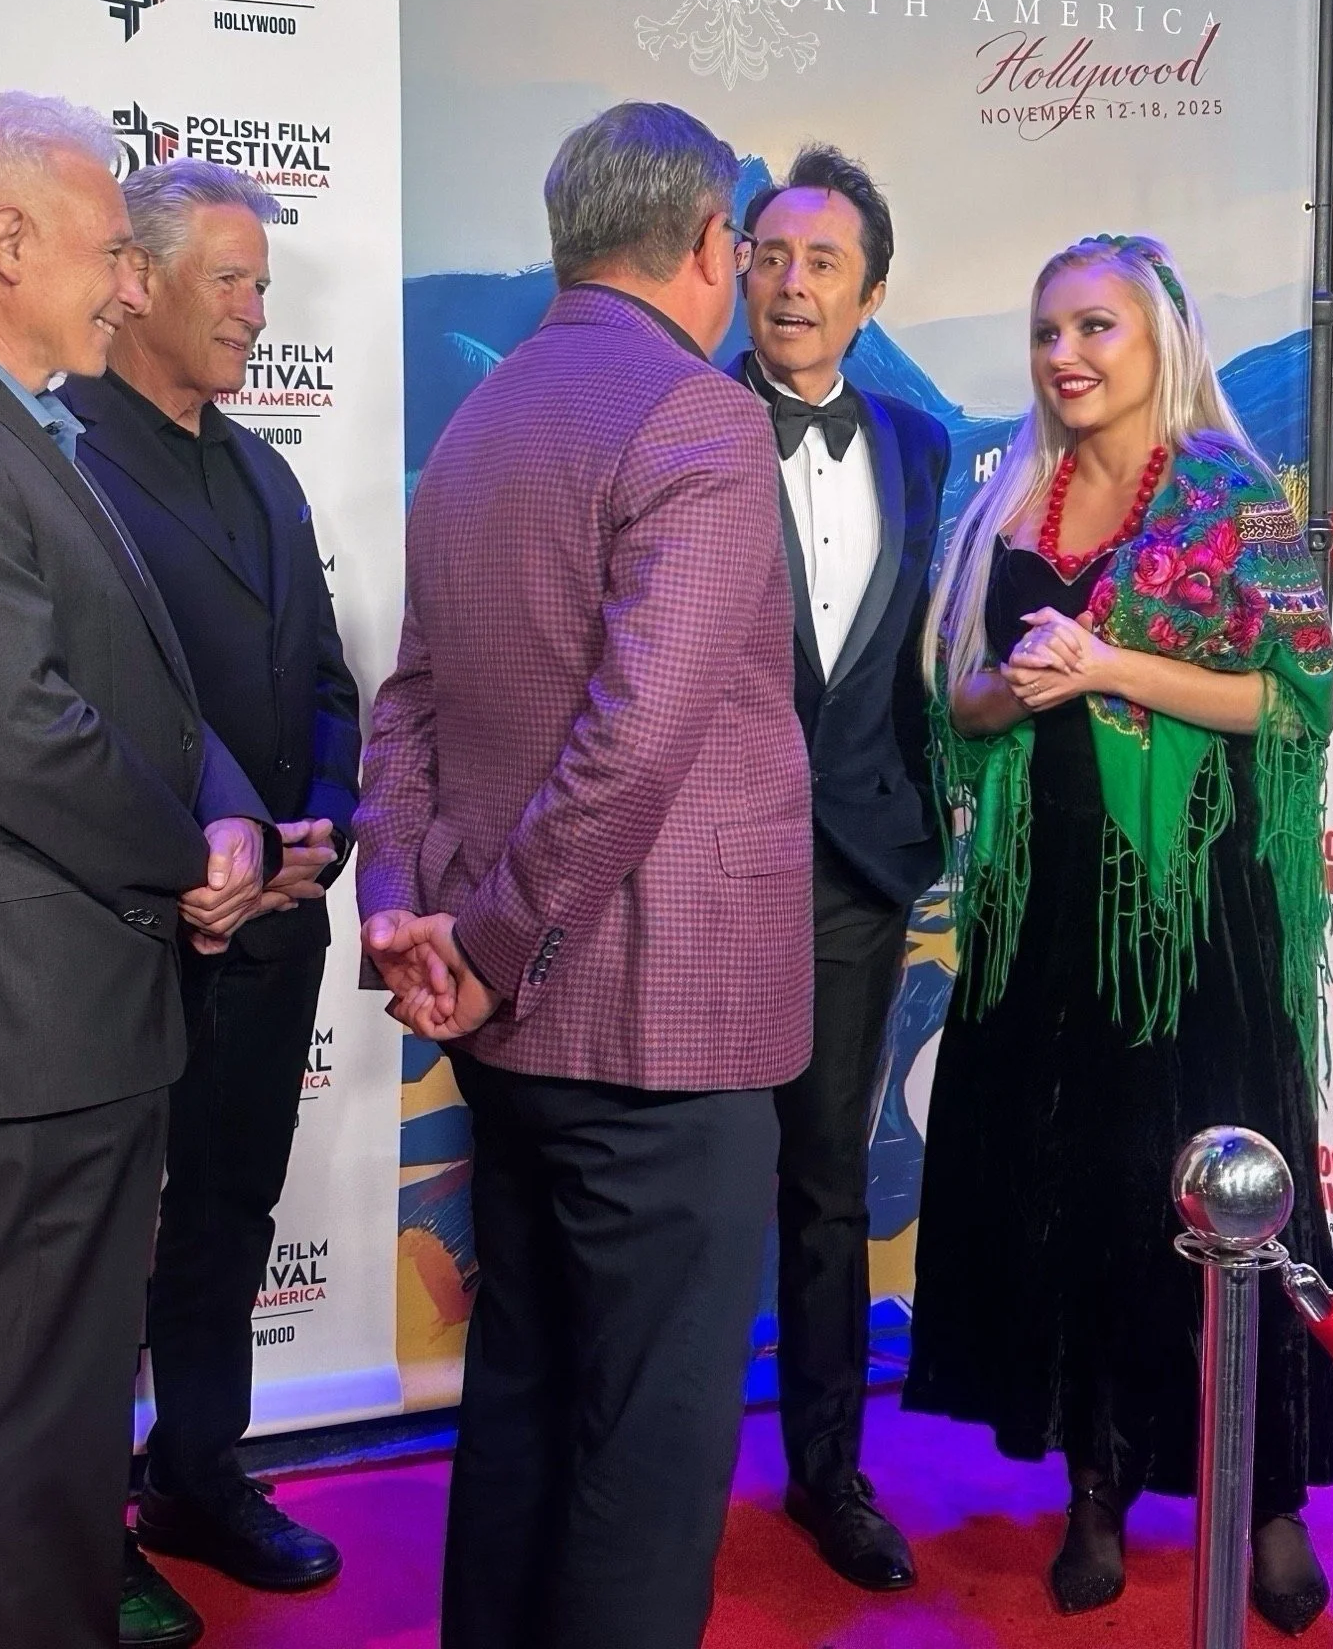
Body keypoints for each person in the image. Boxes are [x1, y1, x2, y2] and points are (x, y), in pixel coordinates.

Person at [356, 101, 815, 1649]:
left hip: (511, 1033)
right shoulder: (701, 417)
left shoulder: (476, 422)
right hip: (655, 1033)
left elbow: (406, 708)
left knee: (529, 1398)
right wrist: (481, 946)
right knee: (649, 1448)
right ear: (709, 246)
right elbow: (634, 745)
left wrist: (403, 913)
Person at [904, 233, 1333, 1635]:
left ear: (1162, 337)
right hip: (1041, 910)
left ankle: (1271, 1499)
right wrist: (1020, 686)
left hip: (1195, 912)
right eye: (1049, 331)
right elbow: (962, 704)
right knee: (1084, 1190)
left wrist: (1110, 665)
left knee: (1233, 1195)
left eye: (1096, 327)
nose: (1067, 355)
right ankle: (1096, 1480)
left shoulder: (1236, 498)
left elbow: (1293, 701)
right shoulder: (1006, 497)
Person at [0, 92, 276, 1649]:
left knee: (54, 1417)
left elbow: (139, 690)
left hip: (75, 1023)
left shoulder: (32, 425)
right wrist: (189, 858)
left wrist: (226, 821)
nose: (124, 283)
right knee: (32, 1437)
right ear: (5, 240)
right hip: (33, 1031)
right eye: (108, 250)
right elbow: (19, 731)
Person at [65, 160, 361, 1644]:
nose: (255, 311)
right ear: (140, 283)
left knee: (228, 1213)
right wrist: (205, 859)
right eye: (230, 280)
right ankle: (75, 1529)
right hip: (127, 929)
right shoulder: (59, 460)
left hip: (274, 925)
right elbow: (73, 710)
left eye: (262, 284)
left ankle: (196, 1475)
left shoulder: (263, 470)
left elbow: (329, 682)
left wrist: (323, 835)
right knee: (97, 1244)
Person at [732, 147, 948, 1592]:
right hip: (697, 871)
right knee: (691, 1188)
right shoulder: (680, 423)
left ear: (871, 295)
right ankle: (655, 1473)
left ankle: (828, 1470)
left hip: (859, 869)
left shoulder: (921, 447)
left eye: (823, 263)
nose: (792, 282)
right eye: (770, 254)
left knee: (826, 1186)